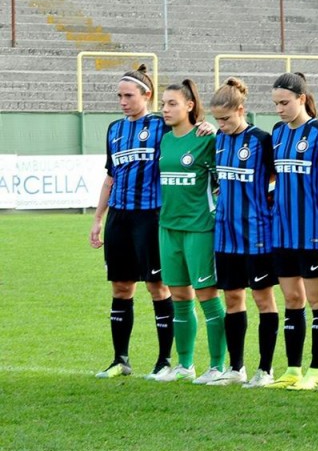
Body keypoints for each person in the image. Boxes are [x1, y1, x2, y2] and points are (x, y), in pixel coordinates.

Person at [89, 65, 183, 380]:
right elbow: (111, 177)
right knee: (121, 286)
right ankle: (120, 360)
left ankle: (164, 361)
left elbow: (190, 132)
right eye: (119, 96)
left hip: (150, 216)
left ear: (147, 95)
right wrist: (98, 218)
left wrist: (206, 128)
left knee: (158, 286)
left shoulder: (162, 125)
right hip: (119, 217)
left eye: (128, 95)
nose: (123, 102)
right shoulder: (114, 129)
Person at [152, 79, 227, 385]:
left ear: (190, 106)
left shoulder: (206, 139)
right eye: (163, 104)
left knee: (207, 295)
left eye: (172, 103)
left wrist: (214, 129)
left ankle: (218, 366)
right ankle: (185, 365)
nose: (165, 109)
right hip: (168, 227)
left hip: (199, 228)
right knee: (179, 296)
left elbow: (224, 180)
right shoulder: (165, 140)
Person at [207, 78, 280, 387]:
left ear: (241, 110)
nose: (221, 125)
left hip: (257, 234)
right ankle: (236, 368)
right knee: (233, 299)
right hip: (226, 235)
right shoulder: (219, 139)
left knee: (264, 300)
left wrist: (264, 201)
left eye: (225, 118)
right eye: (217, 120)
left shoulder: (262, 140)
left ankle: (266, 370)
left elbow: (278, 177)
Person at [268, 72, 318, 391]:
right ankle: (293, 369)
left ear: (302, 99)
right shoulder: (277, 132)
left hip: (314, 232)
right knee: (292, 299)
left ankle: (317, 371)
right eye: (275, 104)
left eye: (285, 103)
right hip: (283, 232)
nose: (279, 109)